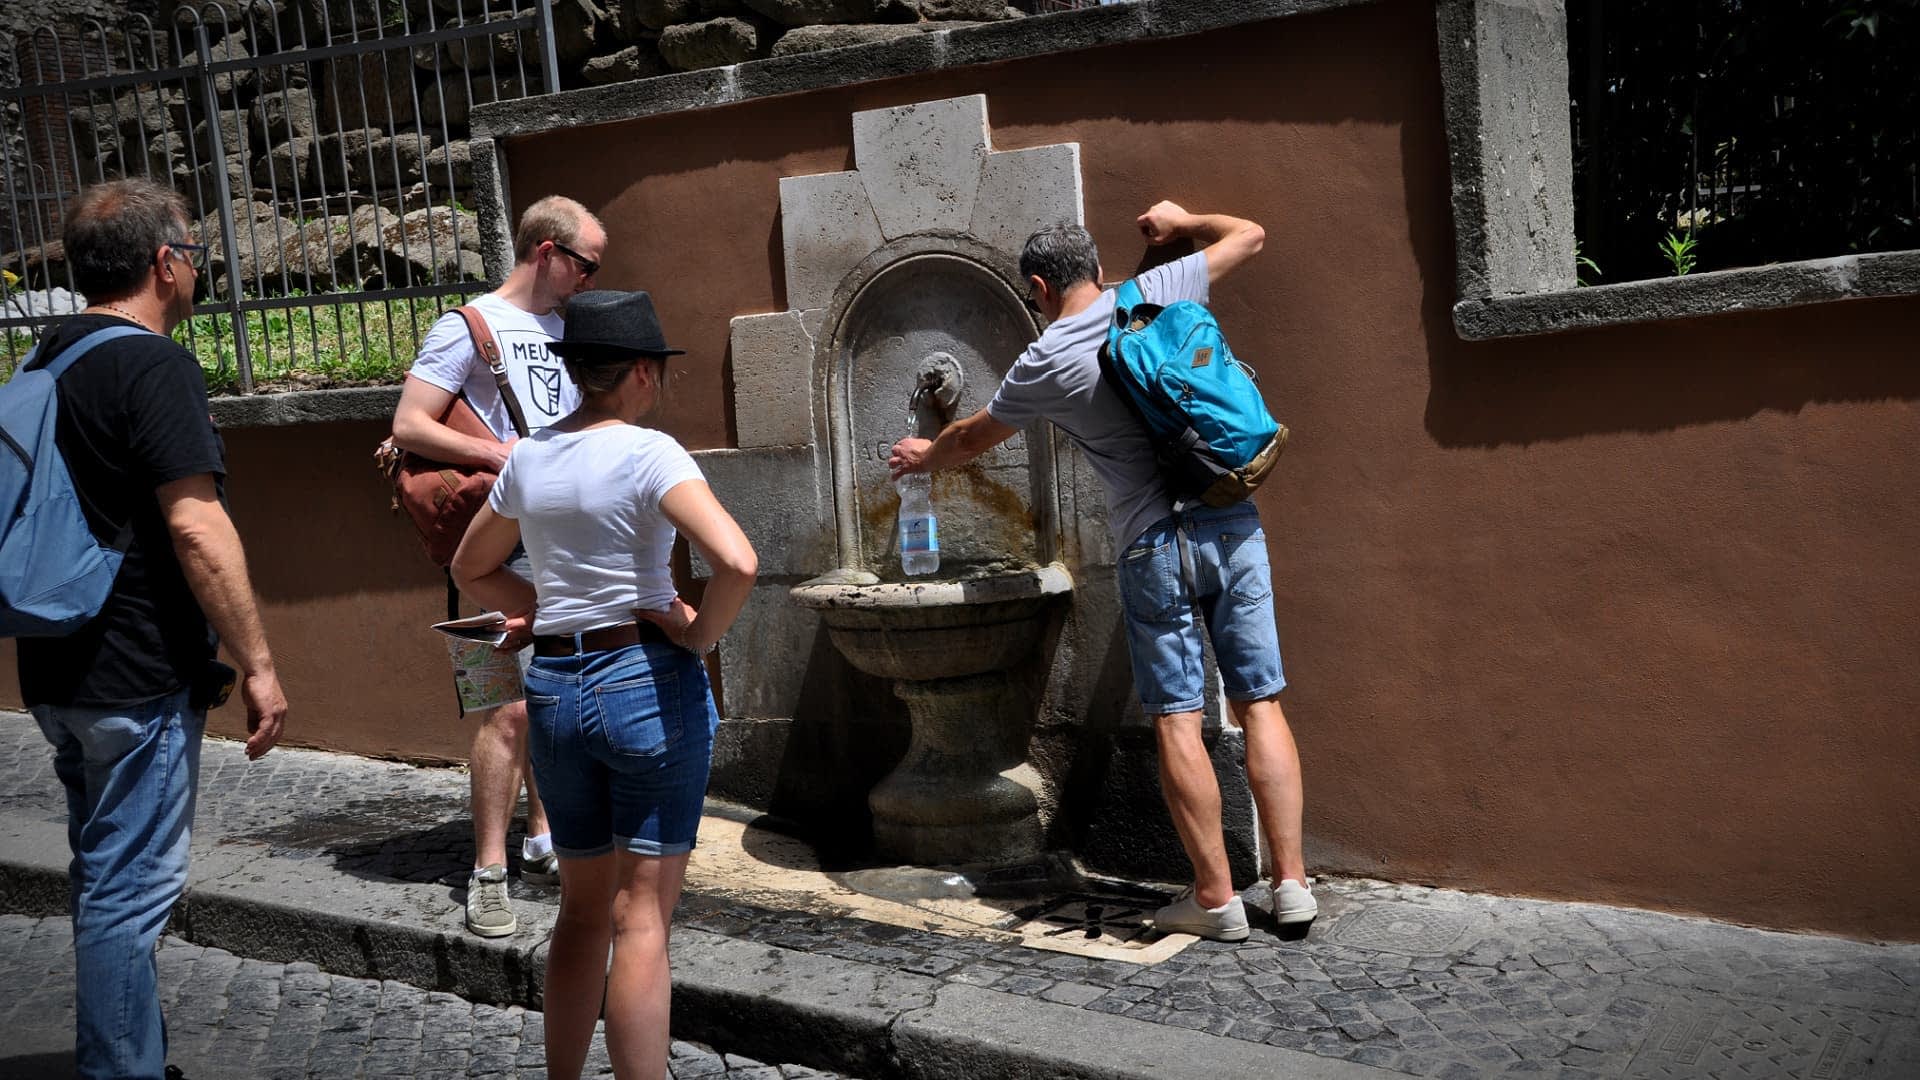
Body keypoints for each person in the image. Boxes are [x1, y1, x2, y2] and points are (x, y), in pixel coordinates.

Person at [887, 203, 1313, 942]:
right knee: (1260, 703)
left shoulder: (1045, 360)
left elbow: (972, 435)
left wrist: (925, 455)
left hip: (1153, 541)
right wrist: (1184, 219)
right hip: (1231, 518)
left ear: (1041, 287)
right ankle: (1292, 884)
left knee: (1178, 717)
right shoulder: (1163, 288)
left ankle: (1214, 898)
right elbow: (1253, 232)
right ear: (1097, 271)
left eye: (1029, 297)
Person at [16, 178, 288, 1078]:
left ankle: (131, 1056)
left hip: (57, 668)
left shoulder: (45, 362)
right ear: (166, 263)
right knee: (132, 891)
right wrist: (258, 661)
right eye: (197, 256)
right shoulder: (154, 365)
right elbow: (196, 528)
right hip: (135, 670)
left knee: (103, 877)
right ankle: (121, 1071)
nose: (201, 271)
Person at [451, 290, 757, 1079]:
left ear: (575, 371)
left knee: (581, 913)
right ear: (644, 375)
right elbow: (738, 562)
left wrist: (542, 610)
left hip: (554, 685)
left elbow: (471, 567)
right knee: (642, 919)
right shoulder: (650, 453)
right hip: (644, 681)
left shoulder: (529, 456)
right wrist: (695, 633)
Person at [388, 194, 607, 937]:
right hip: (487, 546)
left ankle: (543, 837)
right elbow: (409, 421)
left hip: (560, 538)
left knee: (551, 694)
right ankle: (487, 872)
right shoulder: (468, 326)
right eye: (586, 263)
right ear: (547, 251)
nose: (592, 277)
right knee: (501, 705)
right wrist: (496, 452)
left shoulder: (575, 327)